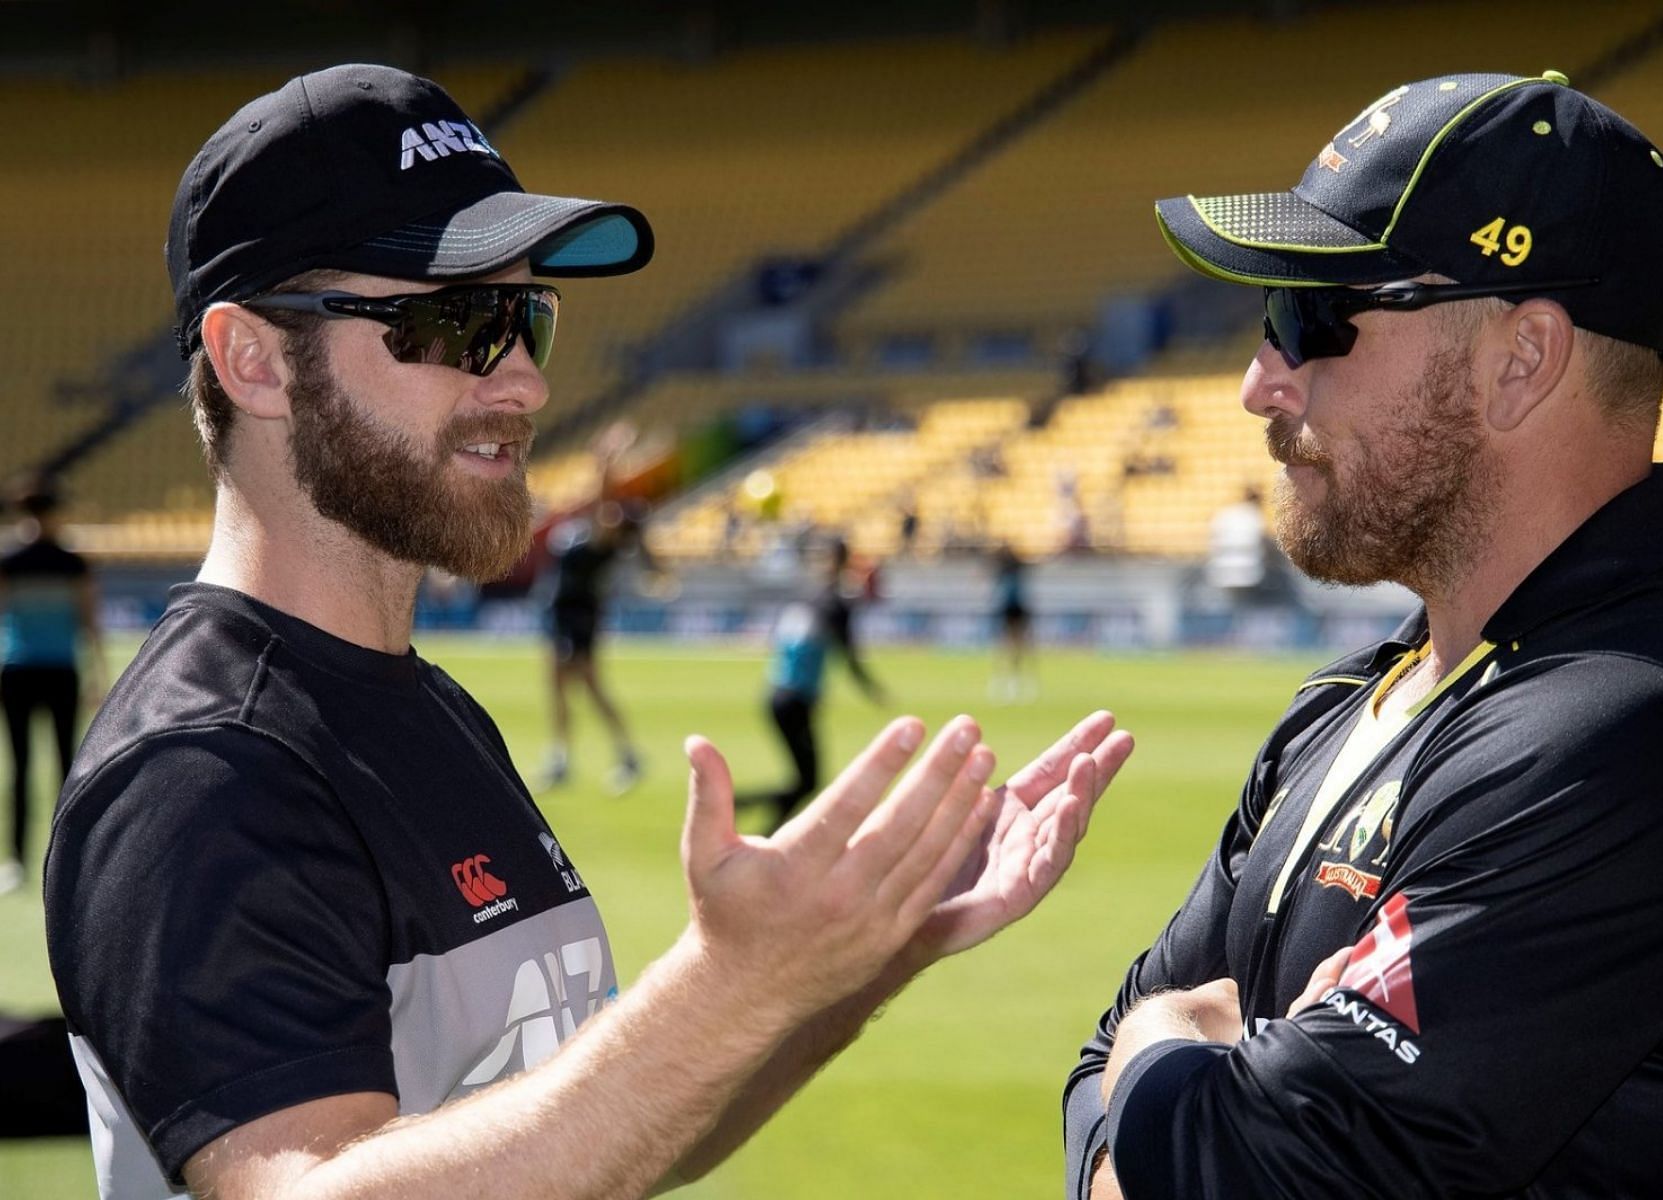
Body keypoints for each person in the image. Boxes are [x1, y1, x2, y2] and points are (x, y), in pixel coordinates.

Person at [41, 64, 1134, 1200]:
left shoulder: (422, 708)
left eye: (527, 320)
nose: (522, 383)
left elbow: (602, 1149)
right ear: (253, 361)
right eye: (458, 322)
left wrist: (855, 957)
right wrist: (724, 984)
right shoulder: (204, 771)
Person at [1069, 70, 1663, 1199]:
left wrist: (1162, 1052)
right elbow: (1108, 1090)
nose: (1257, 383)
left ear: (1520, 360)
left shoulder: (1640, 737)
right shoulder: (1348, 703)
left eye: (1312, 316)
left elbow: (1210, 1170)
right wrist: (1168, 1058)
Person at [739, 537, 888, 830]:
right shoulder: (836, 604)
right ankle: (752, 815)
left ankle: (763, 828)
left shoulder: (806, 597)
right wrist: (872, 690)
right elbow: (850, 656)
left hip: (779, 694)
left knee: (806, 781)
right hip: (796, 699)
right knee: (809, 781)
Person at [0, 476, 102, 894]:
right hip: (59, 669)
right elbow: (89, 622)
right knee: (65, 767)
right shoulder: (71, 562)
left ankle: (18, 862)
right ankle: (67, 859)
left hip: (18, 669)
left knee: (21, 766)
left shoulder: (10, 560)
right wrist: (97, 675)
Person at [539, 422, 650, 792]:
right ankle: (562, 757)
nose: (612, 515)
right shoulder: (595, 535)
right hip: (563, 616)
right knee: (560, 685)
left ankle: (626, 755)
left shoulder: (604, 540)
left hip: (577, 618)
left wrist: (605, 459)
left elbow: (603, 497)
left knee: (588, 687)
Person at [989, 541, 1036, 703]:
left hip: (1014, 607)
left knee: (1015, 645)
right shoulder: (1006, 568)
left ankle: (1016, 680)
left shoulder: (1011, 568)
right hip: (1011, 608)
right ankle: (1008, 679)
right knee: (1010, 645)